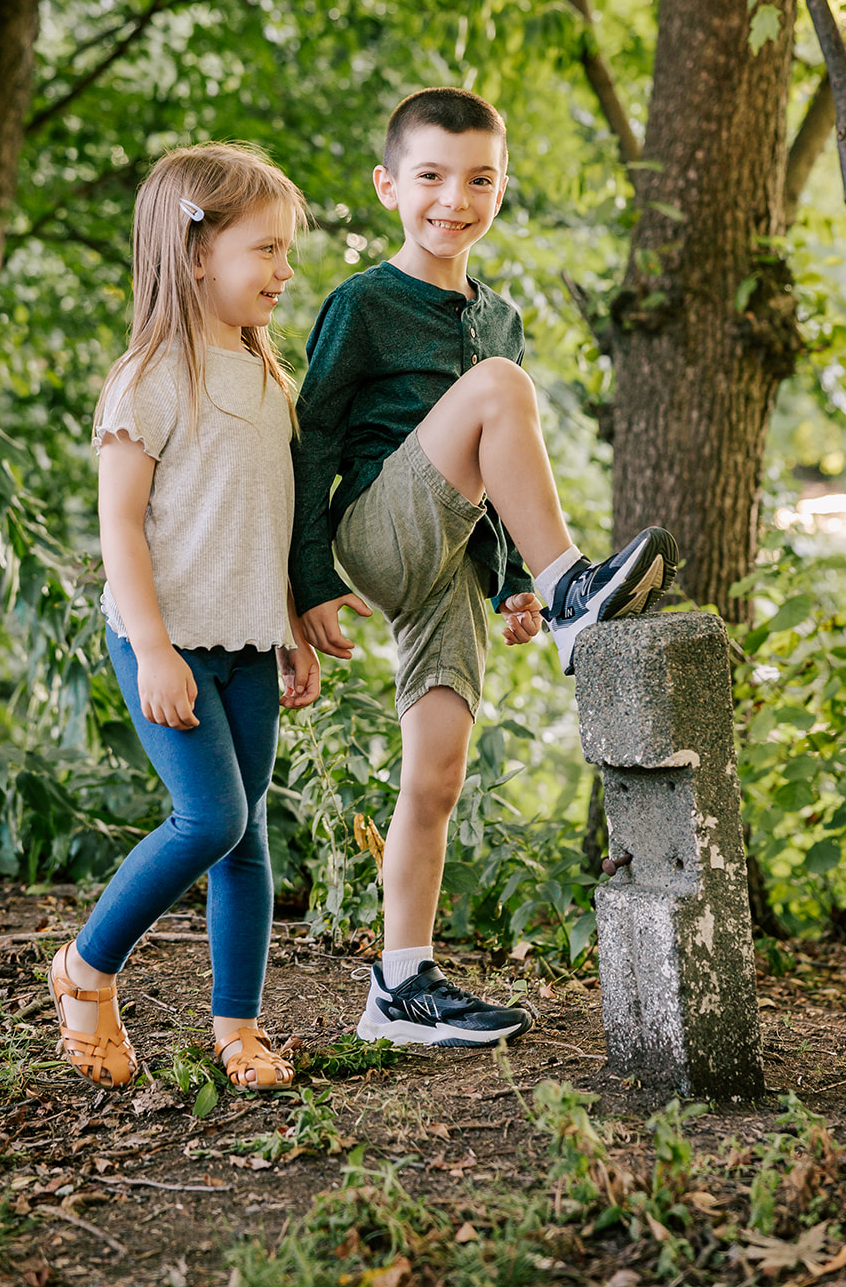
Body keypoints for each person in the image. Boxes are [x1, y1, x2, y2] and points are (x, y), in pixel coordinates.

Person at [289, 88, 677, 1049]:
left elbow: (498, 474)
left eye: (478, 180)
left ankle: (400, 985)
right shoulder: (364, 302)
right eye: (430, 176)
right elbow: (314, 438)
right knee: (501, 390)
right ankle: (570, 593)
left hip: (455, 559)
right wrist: (305, 580)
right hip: (379, 531)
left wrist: (506, 576)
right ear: (388, 185)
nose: (453, 199)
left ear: (501, 188)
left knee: (436, 773)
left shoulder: (497, 315)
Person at [48, 143, 321, 1092]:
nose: (285, 272)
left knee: (246, 844)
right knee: (209, 818)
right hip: (161, 640)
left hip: (247, 645)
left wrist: (287, 626)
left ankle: (237, 1032)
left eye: (288, 254)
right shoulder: (150, 378)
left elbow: (272, 523)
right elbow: (119, 525)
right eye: (268, 251)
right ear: (197, 253)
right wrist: (154, 647)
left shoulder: (269, 381)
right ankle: (85, 968)